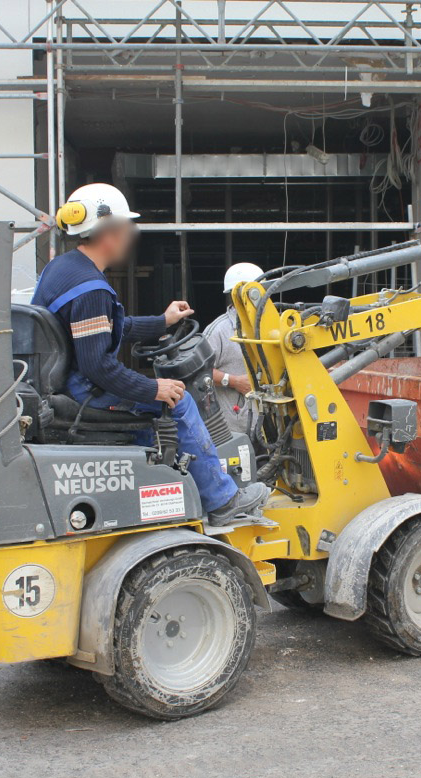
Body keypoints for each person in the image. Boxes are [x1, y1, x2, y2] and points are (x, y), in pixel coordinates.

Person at [32, 183, 269, 525]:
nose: (130, 235)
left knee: (162, 408)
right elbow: (98, 367)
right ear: (110, 232)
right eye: (126, 227)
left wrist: (163, 321)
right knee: (180, 400)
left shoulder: (61, 270)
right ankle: (222, 499)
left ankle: (177, 481)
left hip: (65, 381)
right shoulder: (91, 290)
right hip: (84, 390)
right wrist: (153, 388)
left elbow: (112, 329)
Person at [203, 262, 264, 435]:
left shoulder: (272, 327)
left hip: (269, 426)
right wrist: (233, 381)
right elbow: (199, 373)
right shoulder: (219, 331)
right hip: (233, 430)